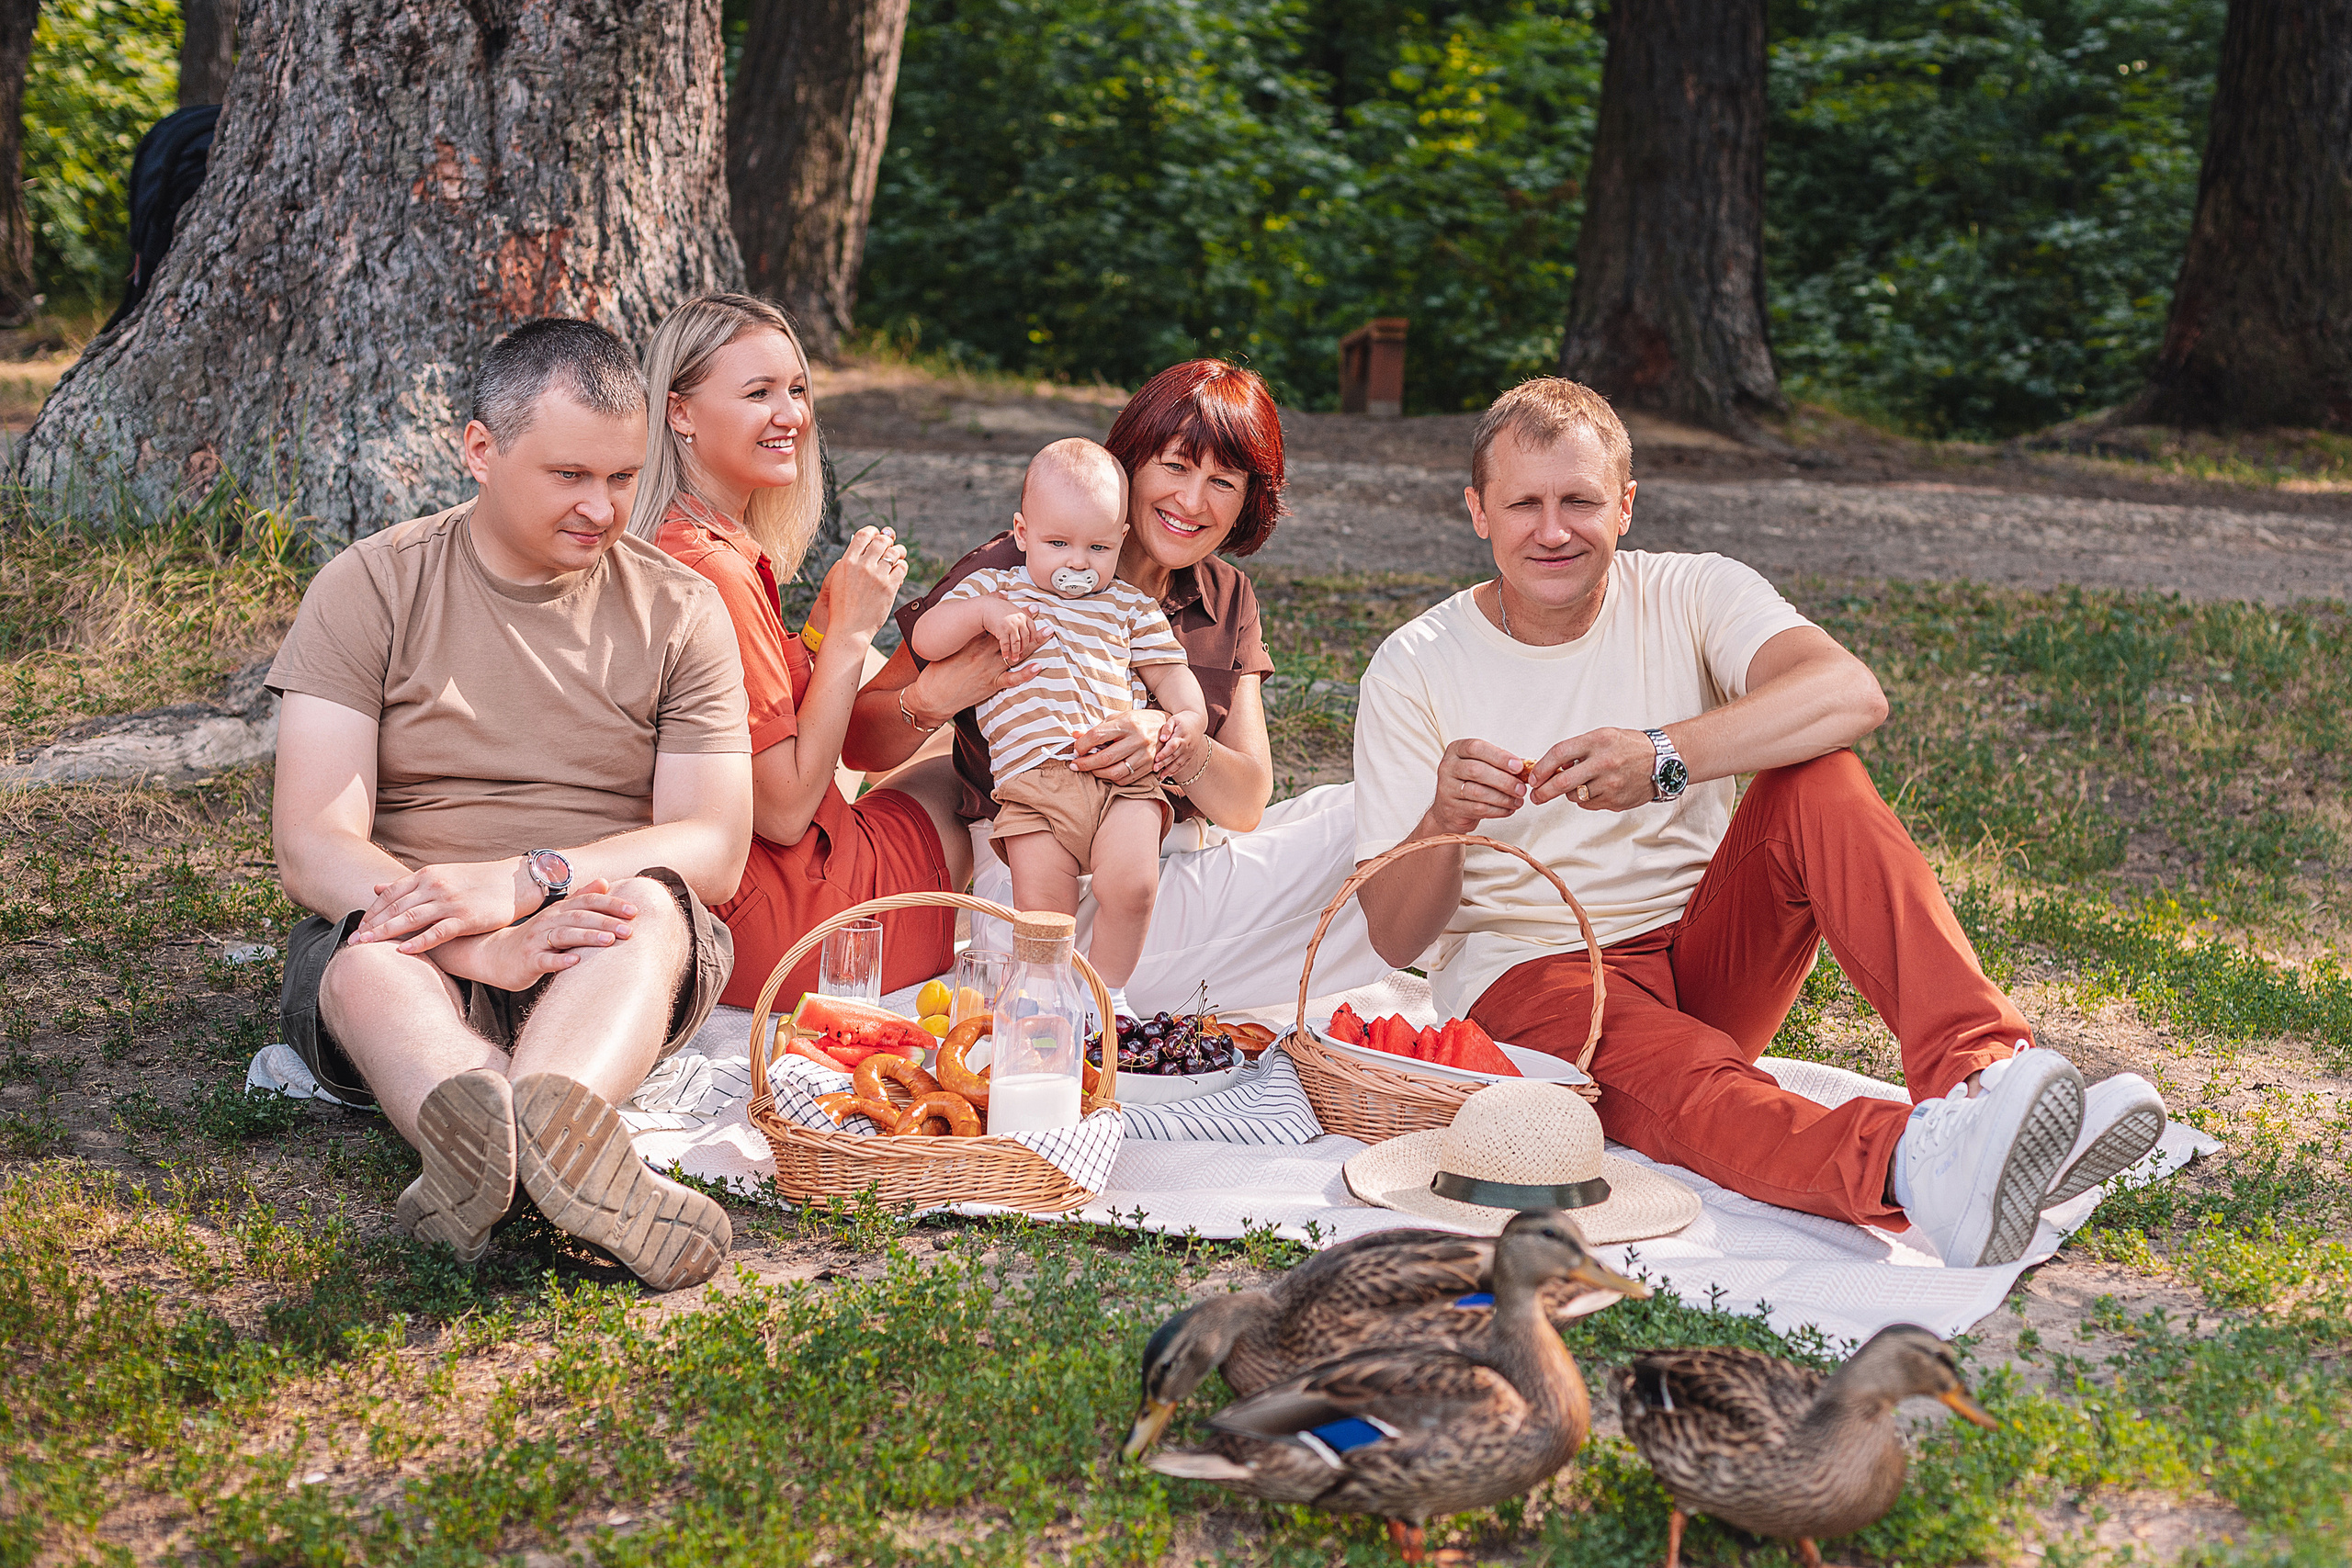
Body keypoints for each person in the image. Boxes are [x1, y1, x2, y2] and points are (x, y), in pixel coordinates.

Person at [1350, 378, 2167, 1269]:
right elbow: (1393, 937)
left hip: (1706, 950)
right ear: (1477, 511)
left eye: (1580, 501)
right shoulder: (1414, 664)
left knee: (1818, 771)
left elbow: (1850, 693)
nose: (1553, 531)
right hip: (1537, 981)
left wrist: (1664, 754)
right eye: (1525, 504)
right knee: (1695, 1086)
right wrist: (1443, 811)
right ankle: (1914, 1166)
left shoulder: (1693, 592)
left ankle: (1984, 1080)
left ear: (1624, 507)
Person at [269, 319, 752, 1292]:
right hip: (408, 930)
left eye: (623, 478)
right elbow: (314, 843)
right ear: (481, 451)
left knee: (653, 908)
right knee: (364, 968)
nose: (603, 509)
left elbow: (712, 844)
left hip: (598, 932)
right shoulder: (371, 585)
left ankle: (535, 1125)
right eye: (570, 475)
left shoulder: (679, 608)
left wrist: (532, 883)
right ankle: (528, 1149)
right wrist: (473, 942)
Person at [857, 360, 1390, 1013]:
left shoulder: (1226, 596)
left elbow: (1248, 801)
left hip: (1152, 866)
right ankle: (1082, 1003)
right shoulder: (1016, 571)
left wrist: (1170, 740)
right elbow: (863, 734)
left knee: (1368, 802)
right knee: (1384, 819)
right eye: (1175, 466)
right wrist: (941, 693)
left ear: (1249, 497)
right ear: (1131, 460)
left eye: (1222, 480)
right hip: (1047, 888)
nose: (1193, 501)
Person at [632, 293, 965, 1009]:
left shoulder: (666, 537)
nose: (791, 415)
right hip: (791, 928)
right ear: (679, 412)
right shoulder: (713, 569)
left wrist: (816, 637)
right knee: (958, 779)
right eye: (758, 393)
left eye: (797, 388)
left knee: (921, 742)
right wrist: (849, 634)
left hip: (737, 898)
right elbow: (783, 809)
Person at [911, 439, 1208, 1019]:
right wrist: (982, 615)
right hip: (1033, 785)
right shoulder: (997, 592)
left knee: (1133, 886)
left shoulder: (1128, 606)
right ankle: (1046, 1002)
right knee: (1042, 909)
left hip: (1120, 780)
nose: (1077, 563)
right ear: (1022, 534)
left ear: (1121, 541)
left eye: (1097, 547)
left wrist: (1189, 719)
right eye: (1058, 544)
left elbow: (1173, 677)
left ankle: (1108, 995)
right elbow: (926, 638)